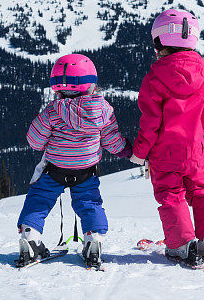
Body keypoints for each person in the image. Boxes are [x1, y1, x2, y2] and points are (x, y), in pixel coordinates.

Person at [131, 9, 204, 265]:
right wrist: (195, 137)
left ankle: (183, 245)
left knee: (170, 194)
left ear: (159, 42)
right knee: (202, 190)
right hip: (194, 149)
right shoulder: (202, 76)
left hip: (166, 152)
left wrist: (140, 152)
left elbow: (150, 121)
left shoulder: (155, 78)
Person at [16, 53, 132, 267]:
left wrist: (46, 142)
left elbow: (34, 140)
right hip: (86, 172)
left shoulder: (52, 111)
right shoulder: (103, 111)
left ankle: (30, 237)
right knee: (89, 203)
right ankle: (93, 239)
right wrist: (128, 151)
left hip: (54, 169)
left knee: (39, 200)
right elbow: (112, 142)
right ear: (91, 84)